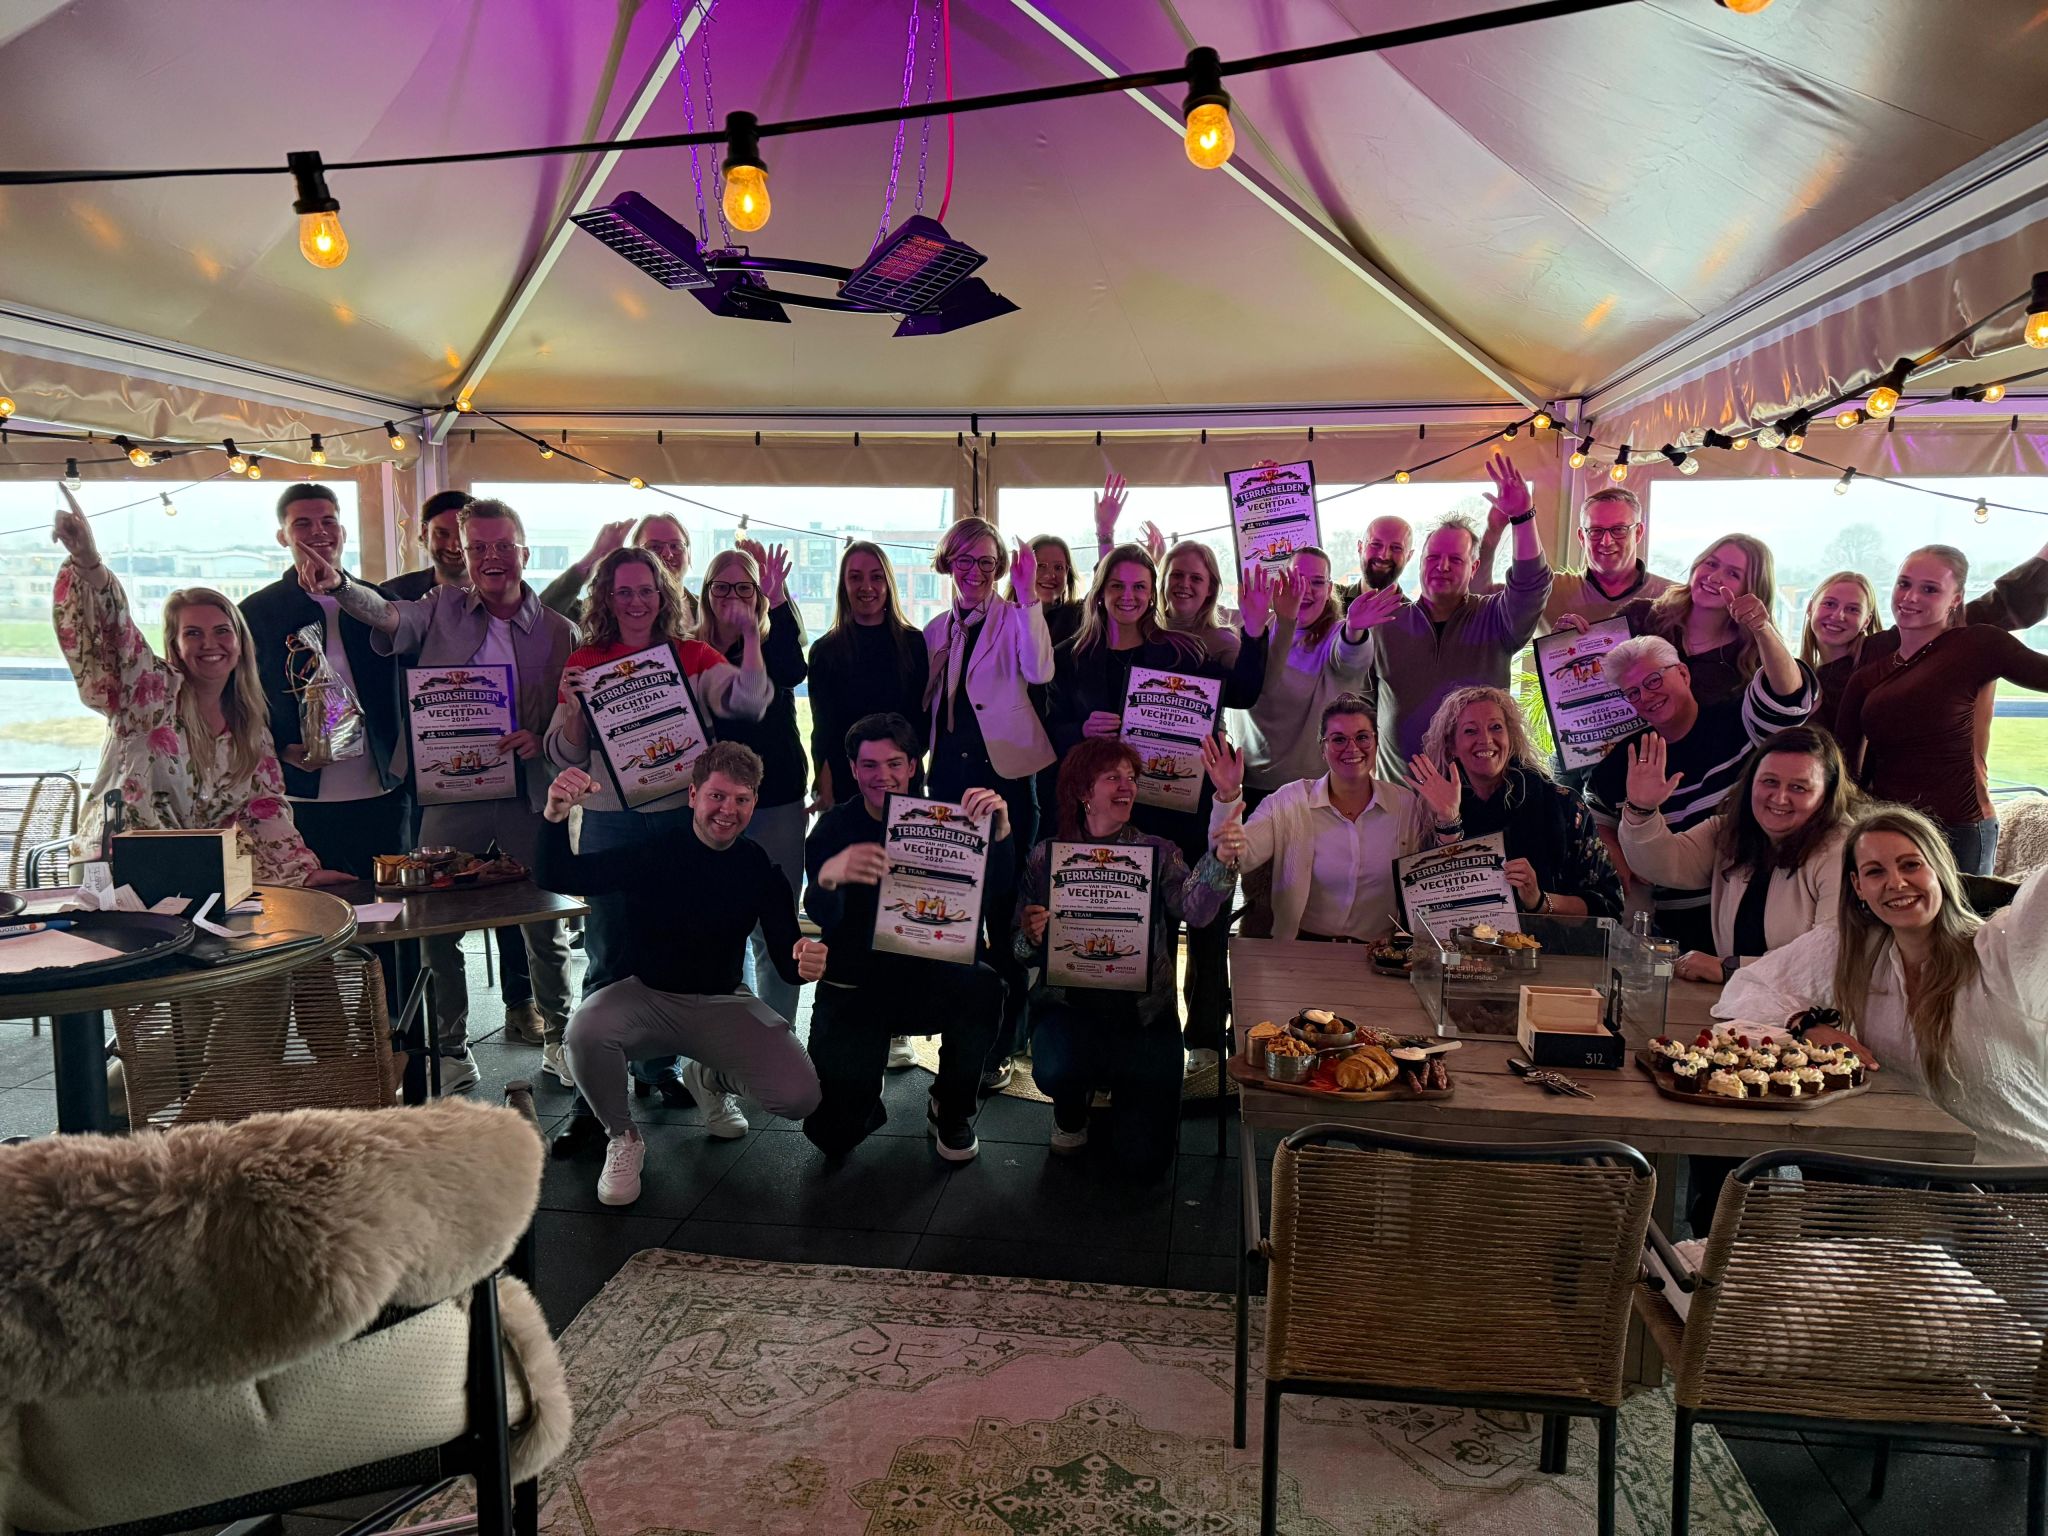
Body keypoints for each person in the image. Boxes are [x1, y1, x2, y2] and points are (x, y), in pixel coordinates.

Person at [298, 497, 577, 1095]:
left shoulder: (560, 631)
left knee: (545, 923)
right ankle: (450, 1047)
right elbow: (387, 617)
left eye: (503, 546)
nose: (492, 557)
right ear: (465, 556)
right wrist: (341, 585)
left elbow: (569, 716)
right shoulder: (440, 607)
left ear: (526, 552)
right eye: (479, 548)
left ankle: (560, 1036)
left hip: (529, 795)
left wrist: (540, 737)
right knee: (434, 924)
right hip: (449, 794)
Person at [539, 746, 826, 1205]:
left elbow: (787, 960)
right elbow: (558, 873)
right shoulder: (654, 853)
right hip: (647, 997)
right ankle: (623, 1138)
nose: (728, 810)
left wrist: (806, 961)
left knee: (800, 1097)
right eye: (717, 796)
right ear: (693, 795)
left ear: (754, 803)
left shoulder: (758, 867)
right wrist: (555, 814)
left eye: (741, 799)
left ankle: (708, 1078)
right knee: (584, 1032)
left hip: (722, 1002)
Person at [1045, 543, 1280, 1056]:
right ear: (1100, 591)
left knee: (1206, 920)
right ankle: (1144, 1039)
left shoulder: (1179, 651)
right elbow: (1047, 724)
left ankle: (1203, 1043)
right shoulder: (1070, 656)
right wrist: (1079, 729)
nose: (1128, 596)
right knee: (1139, 929)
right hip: (1116, 817)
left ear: (1152, 594)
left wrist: (1255, 629)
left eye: (1139, 587)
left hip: (1185, 805)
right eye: (1117, 585)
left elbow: (1241, 692)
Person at [1719, 805, 2048, 1163]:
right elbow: (1746, 988)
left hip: (2022, 1178)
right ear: (1858, 886)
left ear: (1939, 868)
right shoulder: (1849, 950)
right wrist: (1806, 1025)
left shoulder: (2002, 951)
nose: (1896, 883)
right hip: (1910, 1175)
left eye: (1911, 865)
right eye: (1875, 871)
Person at [50, 494, 348, 889]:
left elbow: (263, 810)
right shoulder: (147, 691)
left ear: (240, 642)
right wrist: (89, 562)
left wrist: (303, 873)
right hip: (115, 864)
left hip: (191, 869)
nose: (210, 644)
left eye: (222, 631)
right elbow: (115, 635)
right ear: (174, 645)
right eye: (193, 633)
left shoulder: (249, 724)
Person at [1016, 738, 1237, 1175]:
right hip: (1070, 1010)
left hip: (1144, 1015)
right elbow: (1018, 950)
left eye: (1132, 778)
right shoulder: (1046, 856)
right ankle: (1071, 1109)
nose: (1127, 786)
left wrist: (1220, 859)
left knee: (1146, 1163)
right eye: (1112, 777)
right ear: (1084, 791)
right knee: (1058, 1068)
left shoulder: (1159, 850)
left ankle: (1122, 1090)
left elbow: (1196, 911)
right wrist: (1030, 935)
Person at [802, 713, 1008, 1161]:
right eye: (869, 765)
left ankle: (951, 1106)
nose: (883, 775)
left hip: (927, 977)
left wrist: (1001, 835)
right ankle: (861, 1082)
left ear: (913, 766)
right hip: (857, 984)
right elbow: (820, 914)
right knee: (833, 1136)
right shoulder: (834, 828)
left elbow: (995, 893)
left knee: (985, 985)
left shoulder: (951, 821)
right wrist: (829, 878)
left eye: (894, 763)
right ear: (853, 769)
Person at [1584, 615, 1818, 955]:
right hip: (1670, 927)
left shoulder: (1738, 721)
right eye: (1633, 692)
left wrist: (1763, 629)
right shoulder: (1627, 757)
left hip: (1754, 910)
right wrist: (1616, 853)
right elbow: (1593, 815)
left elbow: (1789, 697)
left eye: (1653, 680)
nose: (1646, 696)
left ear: (1683, 673)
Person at [924, 515, 1056, 1085]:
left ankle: (1003, 1044)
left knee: (1004, 919)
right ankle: (960, 1034)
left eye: (986, 562)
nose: (975, 571)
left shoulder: (1016, 618)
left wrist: (1028, 599)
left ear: (1000, 568)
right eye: (964, 560)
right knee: (955, 917)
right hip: (947, 786)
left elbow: (1040, 669)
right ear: (948, 563)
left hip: (1007, 786)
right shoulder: (936, 629)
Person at [1835, 544, 2048, 876]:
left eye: (1930, 589)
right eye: (1904, 584)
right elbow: (1845, 766)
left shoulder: (1978, 645)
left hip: (1959, 830)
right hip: (1887, 828)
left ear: (1956, 599)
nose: (1911, 597)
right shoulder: (1869, 671)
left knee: (1961, 913)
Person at [1348, 455, 1552, 783]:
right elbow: (1361, 703)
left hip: (1479, 795)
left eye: (1455, 560)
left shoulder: (1496, 617)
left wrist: (1523, 518)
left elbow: (1531, 585)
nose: (1442, 567)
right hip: (1399, 796)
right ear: (1419, 562)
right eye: (1433, 557)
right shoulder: (1385, 621)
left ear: (1474, 568)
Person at [240, 484, 405, 877]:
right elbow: (239, 697)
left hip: (382, 789)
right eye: (303, 523)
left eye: (328, 521)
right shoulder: (255, 612)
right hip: (299, 795)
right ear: (283, 536)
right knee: (313, 907)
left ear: (343, 532)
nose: (318, 531)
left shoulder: (380, 604)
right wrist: (278, 747)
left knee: (390, 904)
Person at [1618, 725, 1857, 980]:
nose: (1779, 798)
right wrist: (1641, 810)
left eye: (1799, 787)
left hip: (1812, 1003)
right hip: (1744, 999)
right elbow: (1661, 865)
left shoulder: (1845, 848)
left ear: (1827, 795)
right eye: (1770, 781)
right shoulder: (1729, 831)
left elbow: (1830, 959)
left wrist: (1730, 968)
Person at [690, 541, 808, 1023]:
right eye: (722, 587)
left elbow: (793, 670)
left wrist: (773, 606)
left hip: (775, 797)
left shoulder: (772, 636)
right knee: (715, 920)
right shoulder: (689, 647)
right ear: (706, 592)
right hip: (711, 804)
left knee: (776, 923)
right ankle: (724, 1032)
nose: (733, 597)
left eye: (745, 588)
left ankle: (777, 1033)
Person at [1206, 694, 1428, 942]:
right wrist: (1228, 796)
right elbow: (1240, 858)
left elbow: (1436, 870)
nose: (1352, 747)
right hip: (1302, 946)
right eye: (1338, 739)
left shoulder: (1405, 804)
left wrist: (1446, 816)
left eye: (1362, 737)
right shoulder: (1288, 801)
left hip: (1379, 952)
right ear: (1323, 749)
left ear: (1376, 742)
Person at [1406, 685, 1622, 919]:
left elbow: (1607, 907)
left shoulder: (1564, 804)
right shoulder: (1428, 810)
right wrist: (1449, 821)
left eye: (1496, 727)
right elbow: (1433, 907)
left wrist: (1539, 901)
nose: (1485, 739)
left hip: (1551, 942)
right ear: (1452, 746)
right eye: (1470, 731)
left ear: (1511, 737)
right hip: (1463, 943)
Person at [1227, 546, 1374, 806]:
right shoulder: (1257, 625)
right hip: (1251, 783)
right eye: (1297, 580)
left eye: (1316, 582)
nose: (1305, 590)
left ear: (1329, 590)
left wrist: (1355, 631)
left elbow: (1351, 658)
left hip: (1314, 789)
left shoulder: (1336, 634)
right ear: (1281, 583)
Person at [806, 541, 930, 810]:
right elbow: (823, 729)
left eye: (876, 577)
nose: (866, 586)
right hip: (847, 783)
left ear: (888, 584)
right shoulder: (825, 651)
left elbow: (923, 721)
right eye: (855, 577)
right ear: (843, 585)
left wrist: (896, 767)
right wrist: (824, 788)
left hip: (902, 783)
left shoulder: (915, 644)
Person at [1590, 534, 1776, 711]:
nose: (1714, 577)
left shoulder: (1753, 657)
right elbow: (1587, 663)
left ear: (1752, 591)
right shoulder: (1640, 615)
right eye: (1711, 564)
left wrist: (1762, 628)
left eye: (1733, 574)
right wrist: (1575, 633)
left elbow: (1785, 704)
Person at [1475, 484, 1671, 631]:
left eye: (1619, 529)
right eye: (1595, 531)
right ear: (1581, 537)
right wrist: (1493, 531)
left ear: (1638, 532)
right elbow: (1478, 597)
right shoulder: (1549, 591)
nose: (1606, 541)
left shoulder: (1670, 597)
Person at [541, 513, 700, 632]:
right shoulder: (603, 610)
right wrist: (596, 555)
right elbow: (541, 613)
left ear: (689, 554)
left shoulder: (707, 608)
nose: (667, 554)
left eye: (676, 546)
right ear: (636, 554)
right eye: (654, 547)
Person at [1798, 570, 1883, 733]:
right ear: (1810, 607)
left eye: (1853, 609)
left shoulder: (1871, 676)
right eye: (1829, 604)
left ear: (1866, 621)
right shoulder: (1800, 676)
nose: (1838, 616)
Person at [382, 489, 473, 601]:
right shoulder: (390, 594)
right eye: (442, 534)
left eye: (463, 535)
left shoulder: (494, 593)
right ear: (425, 533)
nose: (454, 547)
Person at [1335, 515, 1414, 604]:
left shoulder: (1413, 612)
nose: (1384, 556)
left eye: (1396, 548)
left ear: (1409, 556)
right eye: (1376, 544)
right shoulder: (1328, 601)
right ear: (1360, 547)